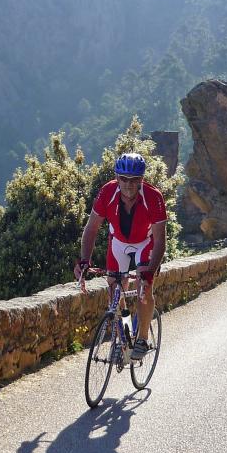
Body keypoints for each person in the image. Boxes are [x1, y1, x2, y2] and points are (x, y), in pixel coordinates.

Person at [74, 153, 167, 361]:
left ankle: (142, 338)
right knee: (115, 290)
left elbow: (160, 241)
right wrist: (84, 260)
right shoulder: (107, 192)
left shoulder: (154, 196)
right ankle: (124, 337)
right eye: (123, 179)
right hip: (118, 242)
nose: (128, 185)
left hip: (146, 242)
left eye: (134, 180)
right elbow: (91, 229)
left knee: (144, 286)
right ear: (117, 177)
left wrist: (150, 273)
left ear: (141, 179)